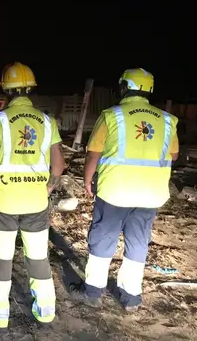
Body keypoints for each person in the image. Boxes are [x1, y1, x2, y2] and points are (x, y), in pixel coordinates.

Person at [70, 68, 179, 312]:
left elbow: (93, 153)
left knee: (103, 238)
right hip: (150, 195)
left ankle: (93, 291)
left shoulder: (112, 116)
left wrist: (88, 180)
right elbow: (174, 154)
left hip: (115, 191)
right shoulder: (167, 120)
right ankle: (130, 298)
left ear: (123, 87)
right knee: (138, 242)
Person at [0, 62, 66, 328]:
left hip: (3, 202)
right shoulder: (48, 122)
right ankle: (46, 310)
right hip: (36, 202)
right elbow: (59, 166)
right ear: (30, 88)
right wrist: (47, 188)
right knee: (38, 257)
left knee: (2, 259)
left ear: (5, 88)